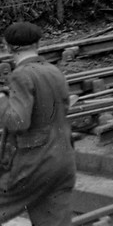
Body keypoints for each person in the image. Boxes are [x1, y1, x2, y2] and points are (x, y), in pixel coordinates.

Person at [0, 22, 75, 226]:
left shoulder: (21, 75)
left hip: (33, 164)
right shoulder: (54, 71)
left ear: (7, 47)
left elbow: (18, 121)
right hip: (62, 160)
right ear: (38, 44)